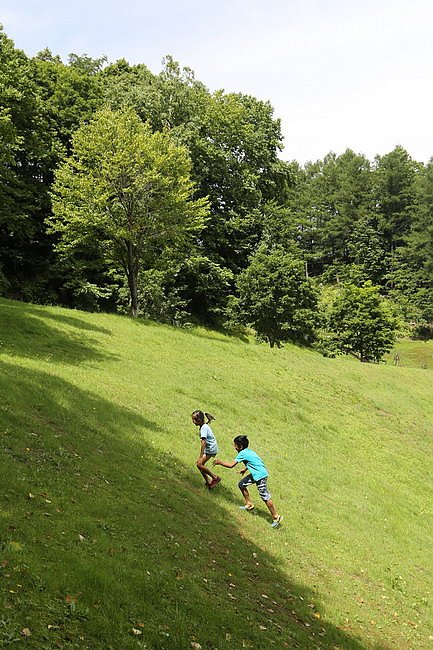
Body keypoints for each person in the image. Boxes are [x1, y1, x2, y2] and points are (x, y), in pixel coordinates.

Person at [214, 435, 283, 528]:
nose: (234, 447)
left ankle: (276, 516)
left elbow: (231, 465)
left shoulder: (242, 453)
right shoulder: (249, 451)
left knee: (265, 497)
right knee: (241, 484)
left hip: (260, 476)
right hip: (258, 473)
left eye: (235, 445)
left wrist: (220, 462)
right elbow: (254, 461)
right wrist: (245, 469)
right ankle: (249, 504)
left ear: (240, 447)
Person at [191, 410, 221, 489]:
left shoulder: (204, 428)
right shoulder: (203, 426)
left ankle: (215, 477)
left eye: (194, 419)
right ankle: (209, 482)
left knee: (199, 464)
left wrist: (201, 456)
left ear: (200, 420)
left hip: (211, 449)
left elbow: (203, 442)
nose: (193, 421)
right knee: (200, 465)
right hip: (209, 448)